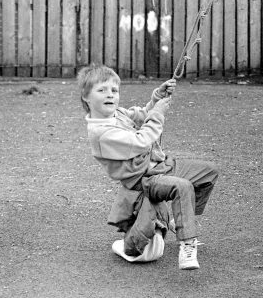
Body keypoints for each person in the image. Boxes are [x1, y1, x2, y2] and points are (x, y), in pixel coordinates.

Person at [77, 64, 219, 269]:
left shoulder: (117, 114)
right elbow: (141, 141)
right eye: (102, 90)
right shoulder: (101, 133)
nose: (110, 95)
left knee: (208, 172)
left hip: (160, 167)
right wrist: (159, 113)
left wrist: (156, 99)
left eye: (114, 90)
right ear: (86, 97)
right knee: (182, 187)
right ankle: (187, 246)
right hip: (144, 180)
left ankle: (181, 220)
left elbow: (144, 114)